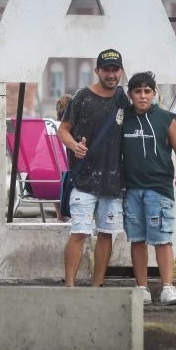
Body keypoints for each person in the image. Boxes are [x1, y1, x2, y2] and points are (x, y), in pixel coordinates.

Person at [57, 49, 129, 287]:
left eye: (115, 69)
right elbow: (63, 129)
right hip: (84, 180)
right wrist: (74, 146)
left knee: (106, 235)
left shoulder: (123, 99)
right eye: (106, 69)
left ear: (120, 71)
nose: (111, 74)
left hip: (113, 180)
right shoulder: (81, 97)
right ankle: (69, 287)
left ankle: (96, 289)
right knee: (79, 233)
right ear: (97, 70)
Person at [122, 71, 176, 306]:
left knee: (162, 239)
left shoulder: (166, 118)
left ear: (154, 93)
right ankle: (142, 288)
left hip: (159, 189)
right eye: (137, 91)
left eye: (147, 91)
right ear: (130, 94)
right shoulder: (123, 118)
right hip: (131, 189)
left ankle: (168, 287)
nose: (142, 96)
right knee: (137, 239)